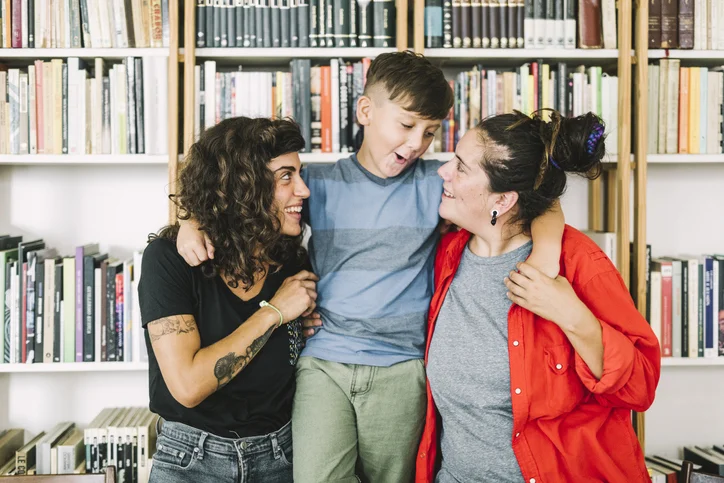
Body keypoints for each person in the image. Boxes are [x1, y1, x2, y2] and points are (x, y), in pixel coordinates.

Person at [176, 51, 564, 483]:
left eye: (430, 132)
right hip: (325, 363)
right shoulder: (316, 185)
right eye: (406, 125)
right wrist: (189, 221)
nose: (417, 143)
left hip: (401, 369)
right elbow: (239, 200)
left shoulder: (439, 184)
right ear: (365, 111)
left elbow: (534, 199)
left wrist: (547, 252)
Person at [416, 110, 662, 483]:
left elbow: (639, 387)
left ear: (503, 199)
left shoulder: (578, 262)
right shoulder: (445, 256)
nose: (443, 172)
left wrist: (572, 316)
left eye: (461, 167)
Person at [138, 117, 319, 483]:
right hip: (191, 461)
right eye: (286, 176)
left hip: (282, 456)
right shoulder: (171, 259)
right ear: (242, 185)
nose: (303, 190)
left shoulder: (291, 258)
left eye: (299, 174)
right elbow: (188, 387)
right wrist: (274, 313)